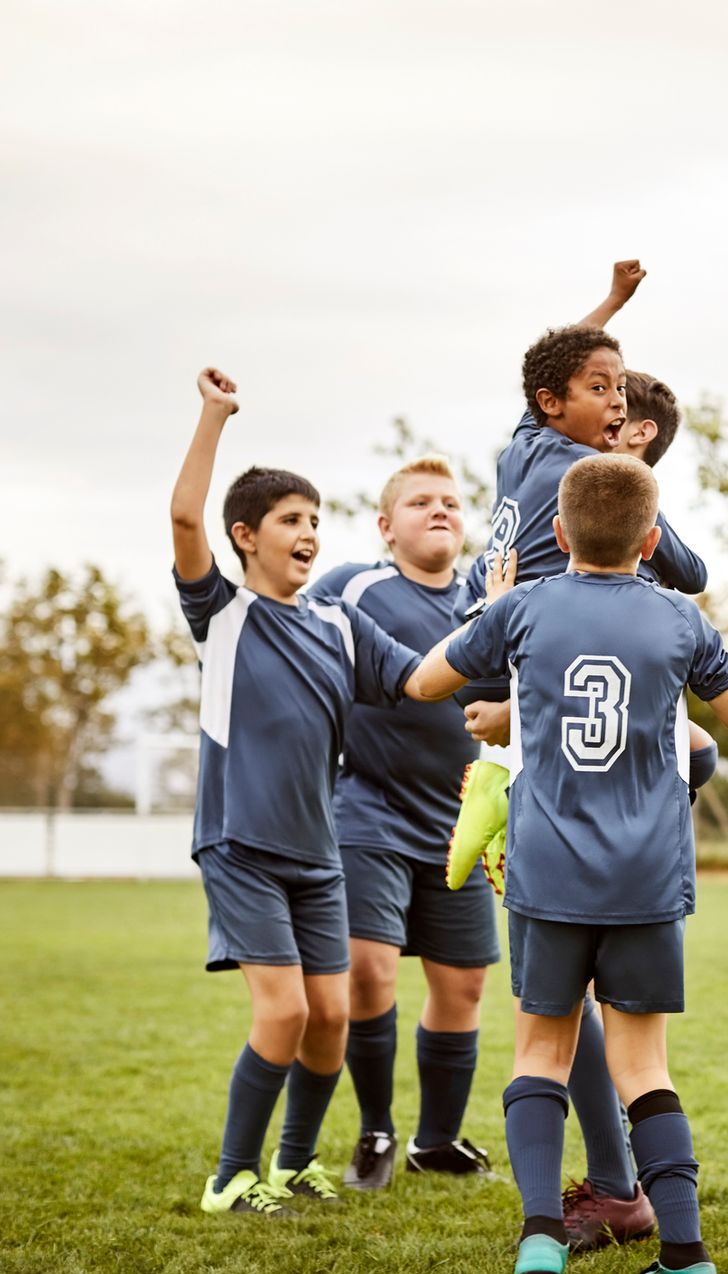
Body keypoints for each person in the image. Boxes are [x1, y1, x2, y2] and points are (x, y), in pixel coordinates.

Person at [411, 453, 728, 1274]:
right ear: (651, 542)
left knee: (540, 1055)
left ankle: (540, 1241)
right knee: (644, 1068)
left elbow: (427, 682)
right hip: (647, 878)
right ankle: (686, 1258)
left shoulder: (524, 607)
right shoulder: (679, 619)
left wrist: (493, 612)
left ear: (559, 531)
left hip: (549, 874)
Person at [170, 366, 440, 1215]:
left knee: (331, 1018)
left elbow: (423, 681)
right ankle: (231, 1177)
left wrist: (500, 633)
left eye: (316, 520)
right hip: (241, 844)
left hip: (319, 858)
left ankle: (292, 1165)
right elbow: (184, 518)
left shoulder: (339, 624)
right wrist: (215, 416)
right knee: (283, 1015)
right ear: (246, 536)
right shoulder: (222, 616)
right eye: (292, 520)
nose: (309, 533)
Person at [309, 457, 500, 1189]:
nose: (440, 510)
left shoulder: (490, 599)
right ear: (386, 527)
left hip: (460, 822)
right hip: (370, 811)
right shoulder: (352, 587)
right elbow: (289, 632)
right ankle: (376, 1133)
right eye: (420, 502)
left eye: (450, 501)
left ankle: (437, 1142)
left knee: (465, 986)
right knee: (369, 971)